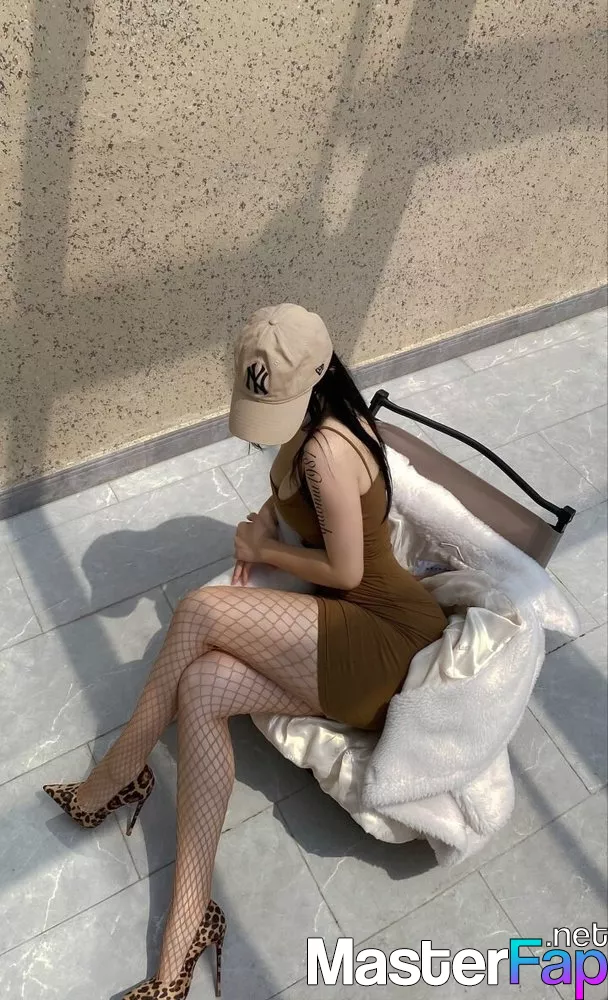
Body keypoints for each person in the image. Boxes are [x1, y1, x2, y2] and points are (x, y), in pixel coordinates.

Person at [42, 303, 448, 999]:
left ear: (316, 376)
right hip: (346, 626)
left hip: (382, 637)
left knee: (200, 610)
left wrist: (262, 549)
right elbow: (292, 505)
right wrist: (261, 523)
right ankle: (186, 931)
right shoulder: (308, 427)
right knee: (201, 687)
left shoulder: (326, 449)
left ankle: (116, 774)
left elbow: (348, 570)